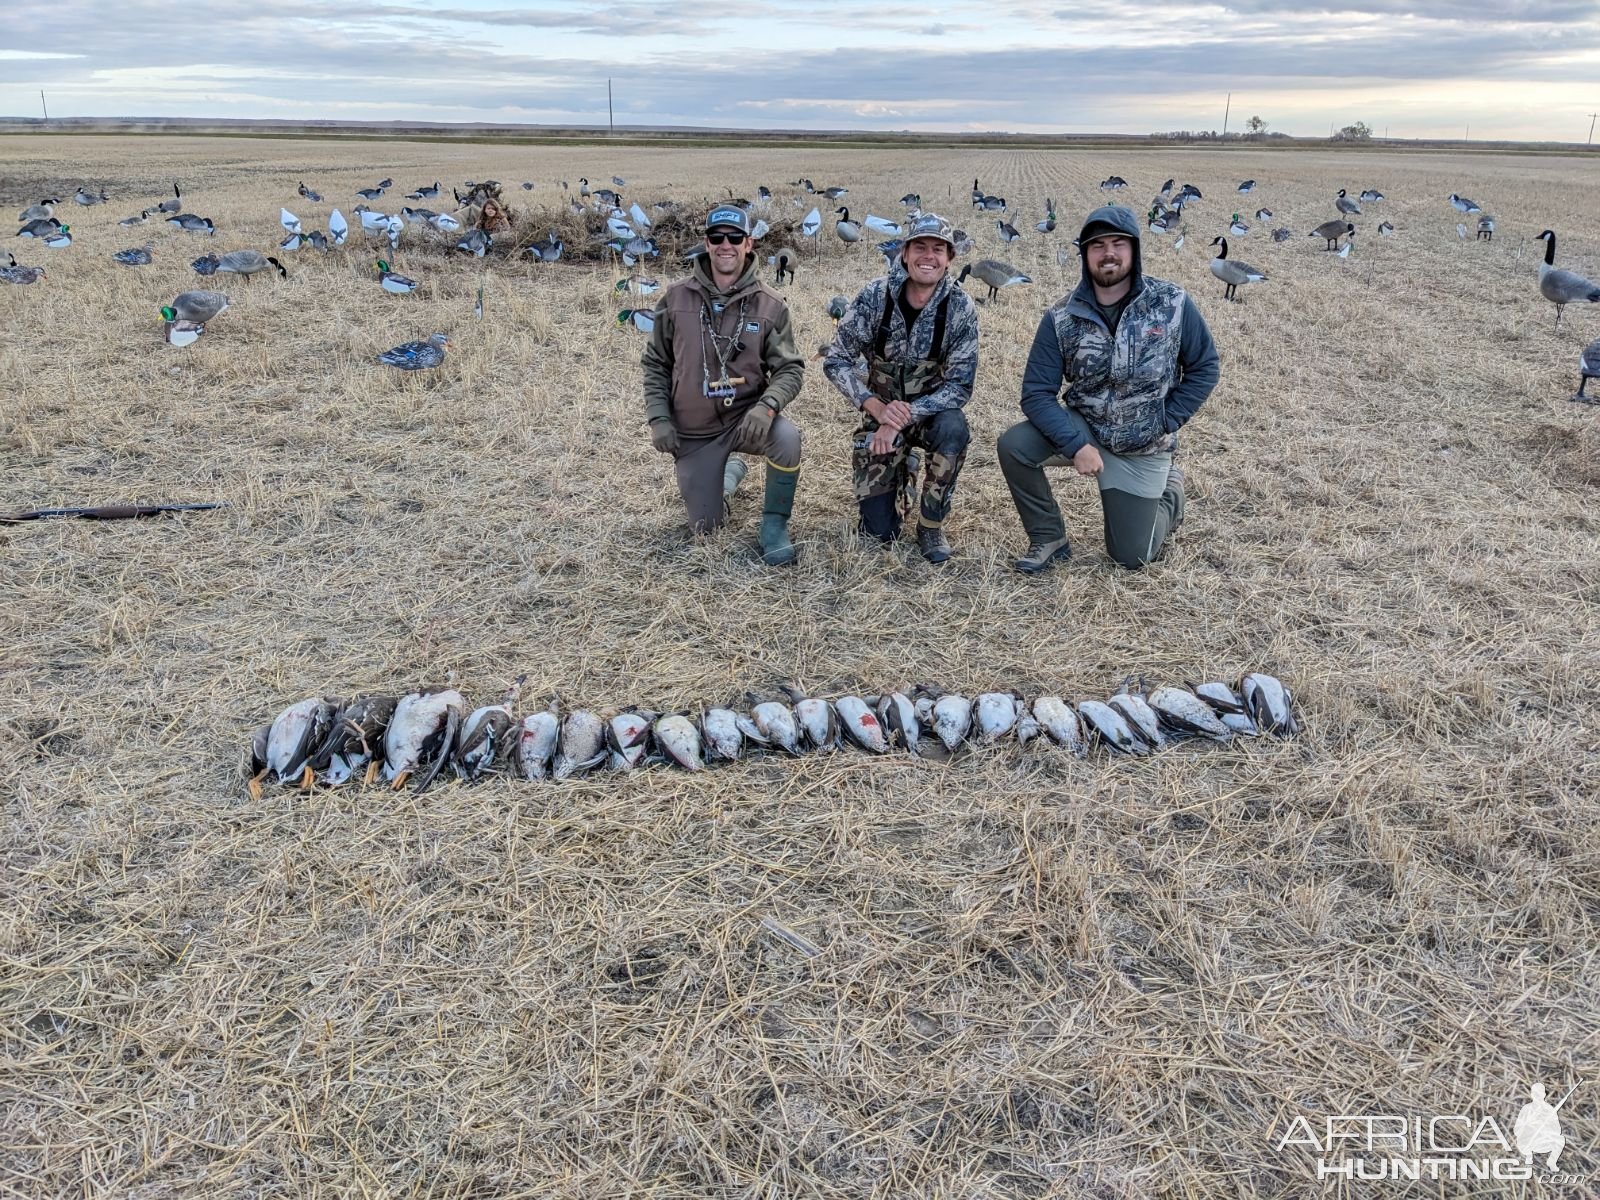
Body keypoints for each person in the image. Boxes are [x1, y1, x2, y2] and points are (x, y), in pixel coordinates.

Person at [997, 204, 1219, 572]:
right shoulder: (1061, 317)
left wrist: (1166, 420)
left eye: (1119, 243)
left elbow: (1204, 367)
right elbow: (1036, 393)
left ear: (1134, 250)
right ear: (1085, 254)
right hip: (1086, 426)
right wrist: (1076, 445)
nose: (1109, 253)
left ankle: (1171, 493)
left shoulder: (1172, 303)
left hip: (1144, 442)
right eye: (1098, 245)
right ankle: (1048, 536)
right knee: (1014, 446)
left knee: (1131, 557)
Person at [641, 205, 806, 565]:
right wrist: (658, 419)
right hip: (694, 430)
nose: (725, 245)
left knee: (788, 439)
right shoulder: (674, 299)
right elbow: (656, 364)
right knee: (706, 528)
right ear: (707, 243)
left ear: (749, 243)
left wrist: (768, 406)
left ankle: (774, 526)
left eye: (734, 238)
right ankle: (728, 476)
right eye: (717, 238)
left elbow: (790, 370)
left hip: (747, 419)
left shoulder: (771, 304)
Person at [822, 212, 978, 563]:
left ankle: (930, 525)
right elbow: (836, 361)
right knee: (879, 534)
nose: (929, 256)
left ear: (949, 258)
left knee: (954, 427)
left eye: (938, 249)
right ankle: (903, 473)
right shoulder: (875, 297)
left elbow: (959, 386)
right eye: (919, 247)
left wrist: (903, 417)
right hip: (880, 414)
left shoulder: (960, 308)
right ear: (905, 253)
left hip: (928, 415)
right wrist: (875, 408)